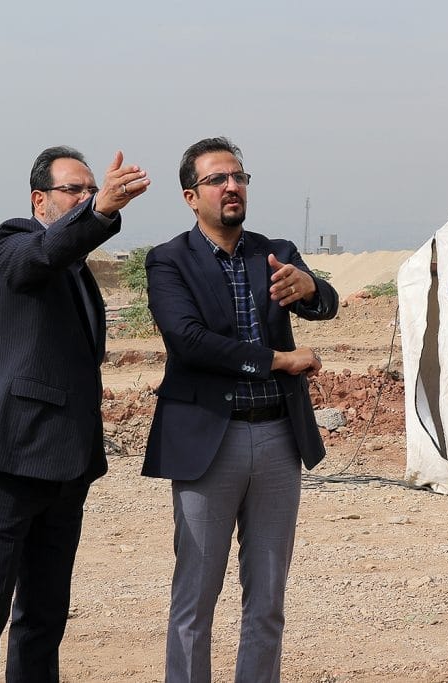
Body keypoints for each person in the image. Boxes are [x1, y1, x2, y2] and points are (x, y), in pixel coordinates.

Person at [0, 145, 150, 682]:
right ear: (40, 200)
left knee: (44, 616)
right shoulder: (13, 243)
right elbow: (44, 253)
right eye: (74, 189)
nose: (85, 196)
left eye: (91, 189)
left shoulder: (79, 274)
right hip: (4, 461)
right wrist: (100, 211)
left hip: (65, 467)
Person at [142, 136, 338, 682]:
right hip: (209, 441)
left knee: (268, 600)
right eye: (218, 179)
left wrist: (311, 287)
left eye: (239, 177)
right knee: (195, 600)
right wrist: (277, 360)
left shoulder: (274, 251)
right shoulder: (168, 261)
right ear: (191, 196)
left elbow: (326, 305)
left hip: (277, 439)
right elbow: (188, 341)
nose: (232, 187)